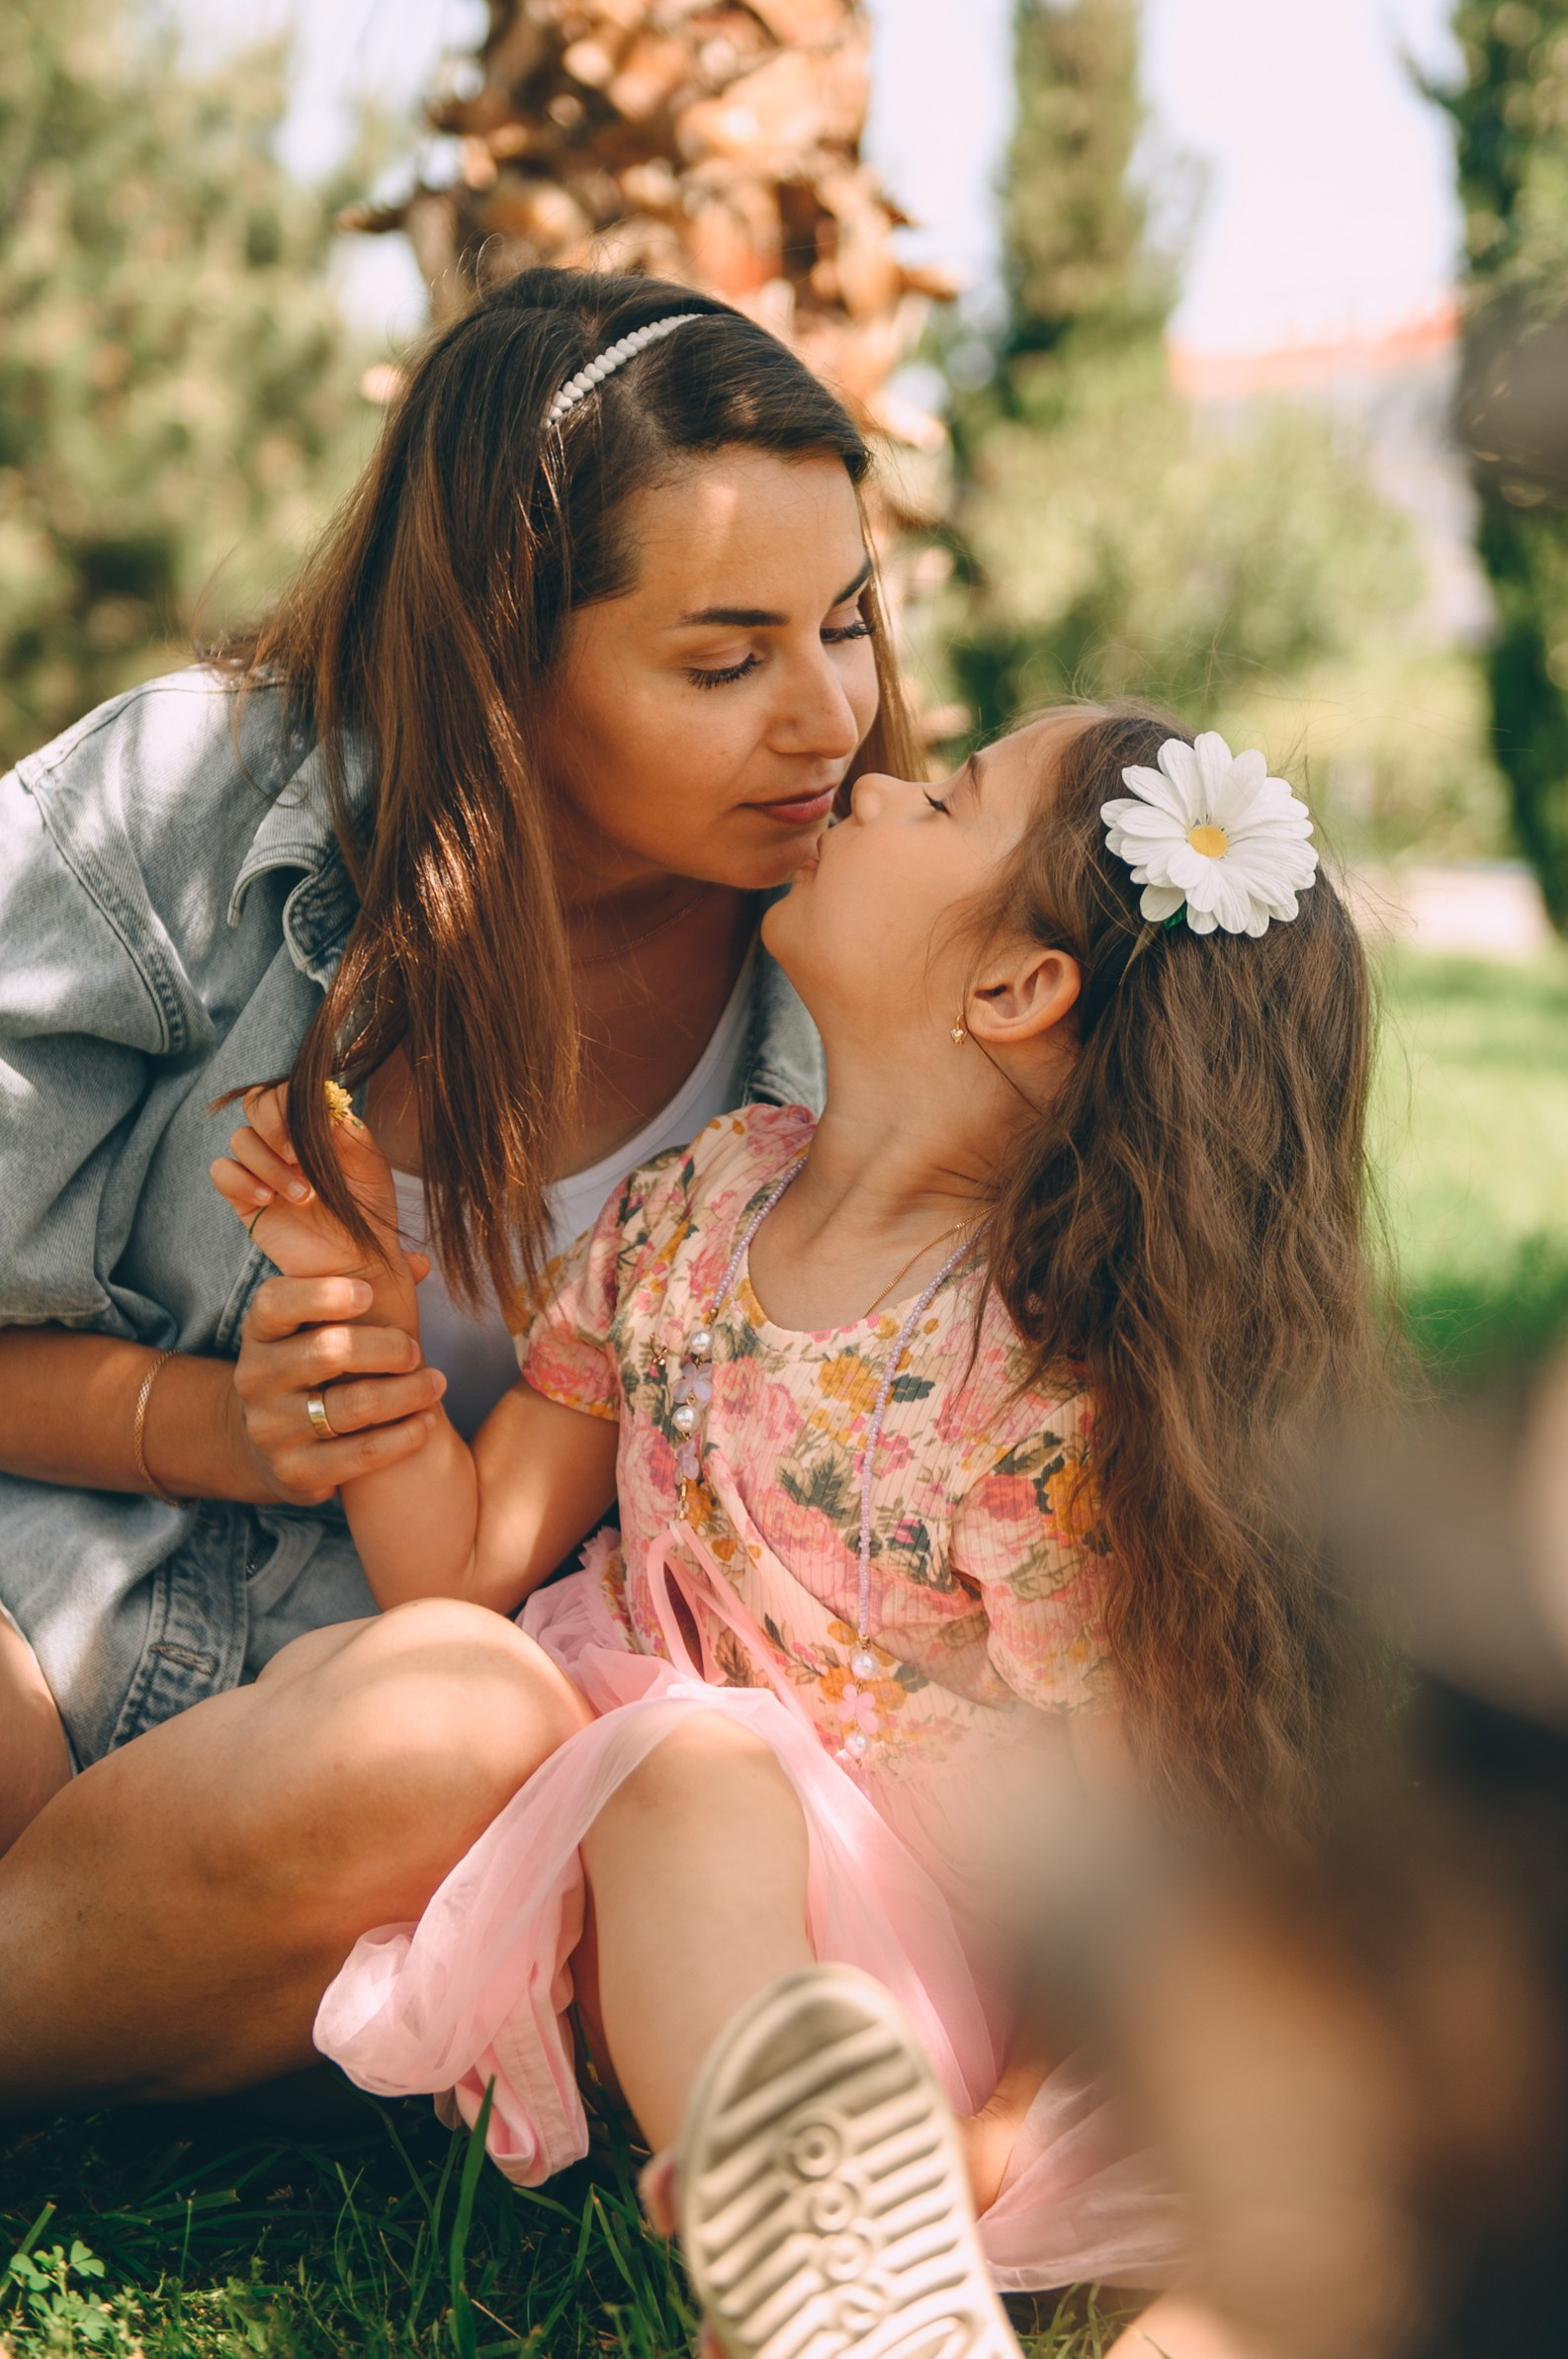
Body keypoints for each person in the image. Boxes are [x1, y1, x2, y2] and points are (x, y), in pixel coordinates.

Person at [214, 707, 1379, 2336]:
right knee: (691, 1773)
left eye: (948, 796)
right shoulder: (690, 1207)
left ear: (1016, 987)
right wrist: (355, 1310)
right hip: (637, 1905)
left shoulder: (1044, 1396)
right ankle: (813, 2242)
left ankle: (828, 2255)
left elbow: (1113, 1837)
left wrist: (1020, 2103)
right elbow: (461, 1568)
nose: (880, 779)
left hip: (909, 1989)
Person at [0, 269, 916, 2109]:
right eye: (725, 660)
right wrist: (221, 1426)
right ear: (503, 655)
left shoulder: (857, 994)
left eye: (849, 622)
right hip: (31, 1602)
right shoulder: (190, 810)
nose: (829, 719)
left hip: (338, 1752)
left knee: (479, 1725)